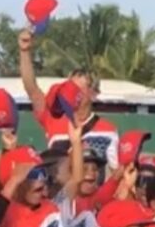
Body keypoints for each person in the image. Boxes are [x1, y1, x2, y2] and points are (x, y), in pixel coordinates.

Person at [18, 29, 120, 168]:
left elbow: (115, 172)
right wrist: (24, 52)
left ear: (93, 93)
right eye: (69, 87)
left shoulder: (108, 130)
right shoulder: (54, 117)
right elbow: (32, 90)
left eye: (78, 89)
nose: (71, 93)